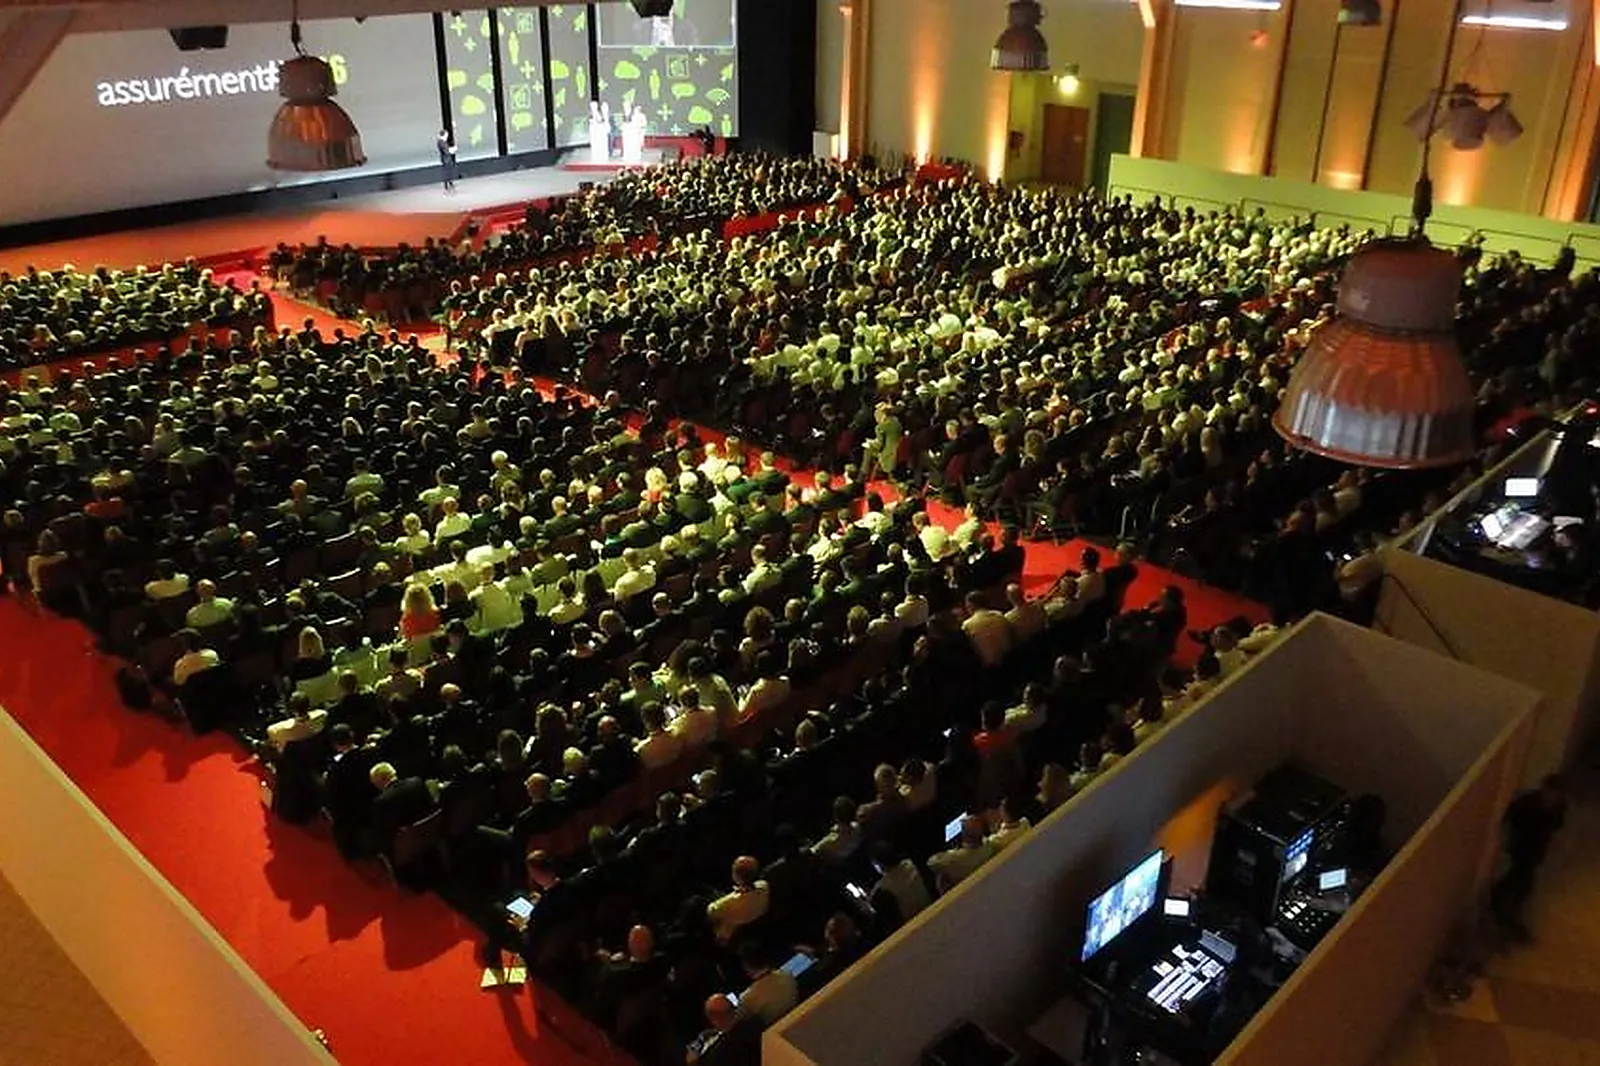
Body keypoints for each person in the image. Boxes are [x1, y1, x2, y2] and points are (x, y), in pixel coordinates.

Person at [1489, 774, 1567, 940]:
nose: (1552, 798)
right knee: (1522, 880)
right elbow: (1508, 820)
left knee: (1518, 878)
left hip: (1536, 848)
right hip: (1520, 846)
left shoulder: (1558, 806)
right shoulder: (1526, 803)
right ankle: (1504, 911)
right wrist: (1504, 842)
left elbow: (1556, 828)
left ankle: (1500, 906)